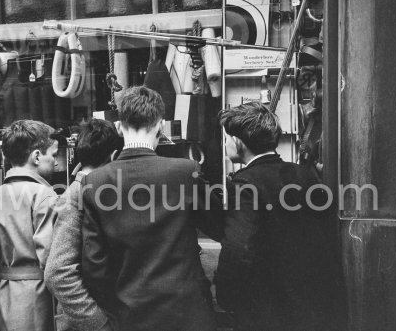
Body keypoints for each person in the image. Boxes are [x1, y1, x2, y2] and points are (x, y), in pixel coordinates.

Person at [81, 86, 224, 331]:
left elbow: (94, 266)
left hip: (130, 313)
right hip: (188, 312)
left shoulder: (94, 183)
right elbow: (221, 227)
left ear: (118, 127)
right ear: (161, 125)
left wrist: (116, 307)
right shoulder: (185, 172)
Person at [215, 102, 346, 331]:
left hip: (268, 309)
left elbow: (239, 248)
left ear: (238, 141)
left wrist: (226, 297)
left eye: (227, 138)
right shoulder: (306, 176)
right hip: (314, 304)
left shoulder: (245, 183)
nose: (225, 143)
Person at [0, 120, 59, 331]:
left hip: (2, 291)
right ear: (36, 157)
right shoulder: (44, 196)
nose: (56, 162)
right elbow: (51, 259)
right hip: (39, 296)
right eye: (53, 154)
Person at [45, 119, 123, 331]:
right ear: (114, 157)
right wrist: (99, 324)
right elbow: (58, 274)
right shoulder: (77, 195)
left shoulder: (90, 191)